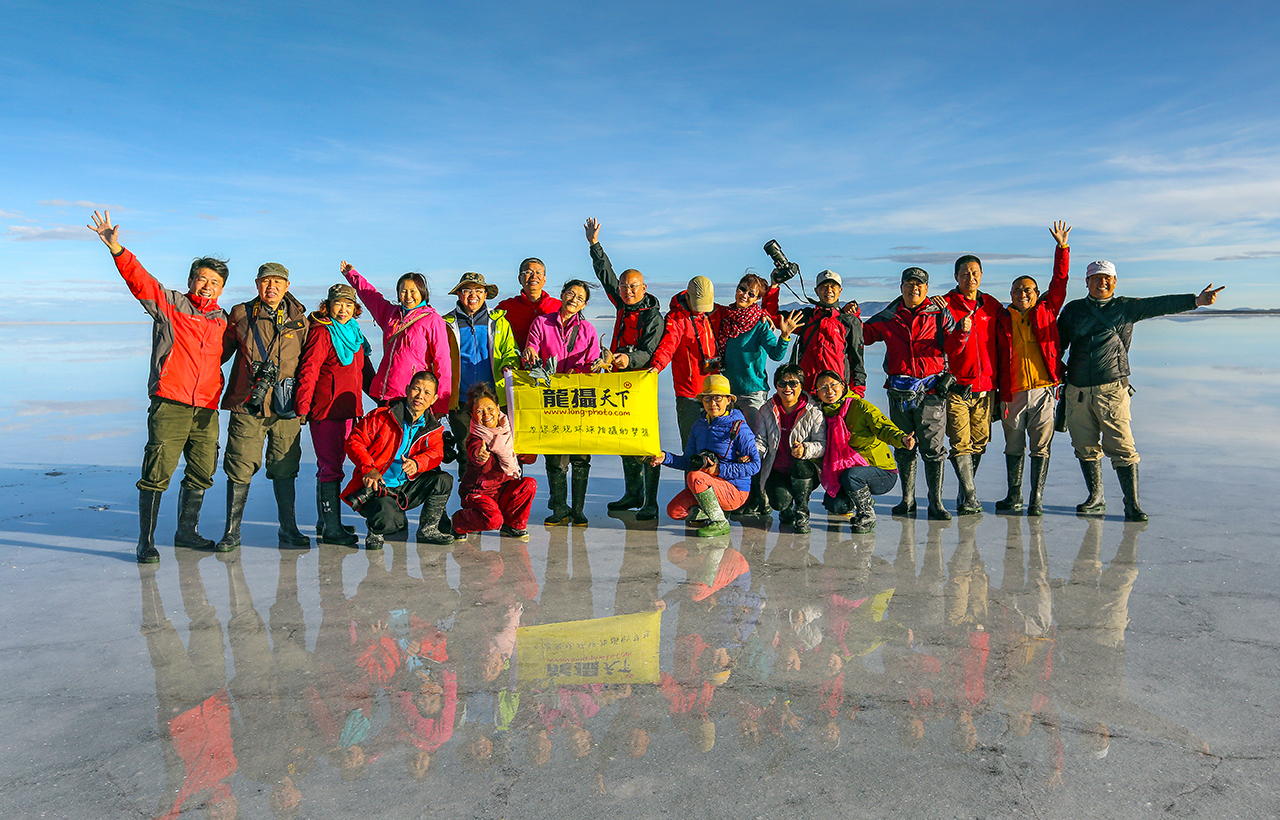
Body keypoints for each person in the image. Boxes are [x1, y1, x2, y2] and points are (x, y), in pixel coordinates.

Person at [89, 210, 229, 563]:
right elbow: (141, 281)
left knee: (202, 471)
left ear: (222, 289)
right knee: (156, 472)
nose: (206, 285)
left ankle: (186, 533)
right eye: (201, 279)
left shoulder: (222, 320)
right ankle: (145, 541)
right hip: (171, 402)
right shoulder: (170, 305)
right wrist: (117, 249)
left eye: (214, 282)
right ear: (190, 280)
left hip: (207, 408)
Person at [1057, 262, 1223, 520]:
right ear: (1086, 282)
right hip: (1076, 390)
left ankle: (1131, 504)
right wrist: (1055, 372)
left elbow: (1160, 304)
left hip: (1111, 389)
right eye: (1097, 278)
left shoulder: (1125, 307)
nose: (1102, 283)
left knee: (1122, 447)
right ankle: (1096, 497)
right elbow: (1056, 345)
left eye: (1108, 279)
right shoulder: (1073, 310)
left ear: (1115, 281)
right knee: (1084, 446)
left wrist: (1196, 300)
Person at [216, 262, 311, 551]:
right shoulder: (241, 314)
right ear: (257, 284)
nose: (271, 287)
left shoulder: (301, 321)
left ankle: (288, 529)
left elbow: (310, 366)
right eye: (266, 281)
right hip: (248, 405)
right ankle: (231, 532)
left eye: (277, 282)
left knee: (286, 467)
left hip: (286, 408)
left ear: (287, 286)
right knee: (239, 466)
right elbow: (216, 354)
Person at [863, 267, 964, 520]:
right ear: (901, 288)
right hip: (899, 392)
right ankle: (907, 500)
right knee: (904, 445)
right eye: (909, 284)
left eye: (919, 285)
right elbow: (864, 336)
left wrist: (962, 330)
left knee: (933, 448)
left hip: (931, 391)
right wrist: (850, 316)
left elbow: (953, 347)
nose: (914, 289)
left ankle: (935, 502)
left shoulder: (939, 314)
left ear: (927, 289)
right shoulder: (888, 316)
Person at [584, 218, 666, 520]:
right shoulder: (621, 305)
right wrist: (594, 245)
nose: (627, 290)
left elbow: (649, 352)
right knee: (624, 438)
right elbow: (605, 274)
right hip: (618, 384)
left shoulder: (653, 316)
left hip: (641, 383)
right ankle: (633, 493)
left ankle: (650, 502)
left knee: (644, 439)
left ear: (644, 288)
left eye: (633, 286)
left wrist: (625, 360)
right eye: (624, 285)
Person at [994, 221, 1071, 516]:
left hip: (1043, 391)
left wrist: (1061, 248)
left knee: (1040, 447)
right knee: (1013, 446)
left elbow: (1060, 281)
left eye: (1027, 289)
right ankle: (1014, 496)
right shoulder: (1003, 318)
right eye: (1016, 290)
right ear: (1010, 293)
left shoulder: (1047, 310)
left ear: (1037, 293)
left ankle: (1036, 499)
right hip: (1012, 393)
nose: (1021, 294)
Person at [342, 371, 455, 549]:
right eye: (416, 389)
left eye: (427, 392)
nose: (420, 396)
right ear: (407, 389)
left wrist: (418, 463)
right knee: (389, 523)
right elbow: (354, 441)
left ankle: (428, 529)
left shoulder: (432, 428)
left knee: (443, 480)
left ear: (433, 399)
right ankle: (376, 530)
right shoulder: (381, 416)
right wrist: (369, 468)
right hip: (379, 486)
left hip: (408, 485)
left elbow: (436, 453)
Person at [295, 283, 372, 546]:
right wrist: (302, 408)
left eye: (349, 304)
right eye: (338, 304)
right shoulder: (322, 333)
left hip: (350, 411)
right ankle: (331, 529)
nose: (343, 309)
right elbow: (309, 370)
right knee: (330, 469)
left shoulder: (355, 333)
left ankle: (326, 522)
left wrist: (386, 401)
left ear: (355, 309)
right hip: (326, 412)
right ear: (327, 306)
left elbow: (366, 373)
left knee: (339, 467)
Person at [525, 279, 605, 526]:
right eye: (571, 294)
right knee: (555, 459)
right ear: (561, 294)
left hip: (580, 402)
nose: (574, 300)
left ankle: (579, 510)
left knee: (581, 457)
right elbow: (532, 348)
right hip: (551, 400)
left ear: (585, 304)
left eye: (580, 298)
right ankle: (559, 508)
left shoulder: (588, 330)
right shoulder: (542, 323)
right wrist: (530, 354)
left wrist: (589, 369)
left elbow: (593, 365)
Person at [648, 375, 760, 536]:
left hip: (735, 490)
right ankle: (716, 511)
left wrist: (719, 470)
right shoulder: (699, 425)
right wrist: (664, 457)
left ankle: (720, 522)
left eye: (718, 398)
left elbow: (755, 465)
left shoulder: (739, 428)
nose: (712, 403)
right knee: (675, 511)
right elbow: (688, 461)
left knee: (695, 477)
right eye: (707, 398)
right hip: (709, 484)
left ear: (728, 400)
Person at [340, 261, 451, 414]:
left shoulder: (432, 320)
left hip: (413, 396)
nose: (408, 296)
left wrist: (441, 405)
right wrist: (352, 275)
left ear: (422, 292)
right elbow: (370, 295)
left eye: (413, 291)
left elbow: (443, 363)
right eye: (403, 291)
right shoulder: (390, 314)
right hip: (385, 393)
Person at [811, 370, 915, 534]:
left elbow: (883, 427)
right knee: (836, 505)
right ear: (817, 393)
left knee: (852, 476)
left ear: (843, 386)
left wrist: (901, 439)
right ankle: (857, 498)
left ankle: (866, 514)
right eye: (823, 388)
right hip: (845, 471)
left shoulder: (860, 407)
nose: (829, 391)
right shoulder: (822, 414)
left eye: (833, 385)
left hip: (880, 471)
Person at [943, 255, 1003, 515]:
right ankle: (970, 495)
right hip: (958, 387)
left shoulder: (991, 306)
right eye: (965, 273)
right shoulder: (944, 304)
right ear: (956, 277)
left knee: (979, 442)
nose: (971, 278)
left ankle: (964, 491)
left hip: (986, 387)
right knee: (960, 443)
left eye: (975, 272)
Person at [442, 272, 520, 460]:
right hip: (460, 401)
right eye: (467, 290)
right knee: (467, 451)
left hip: (494, 400)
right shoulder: (446, 324)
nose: (473, 295)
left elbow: (511, 351)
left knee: (500, 450)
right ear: (459, 294)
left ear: (486, 294)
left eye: (478, 290)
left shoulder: (498, 322)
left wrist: (509, 365)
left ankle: (499, 489)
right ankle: (468, 489)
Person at [450, 383, 538, 538]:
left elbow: (529, 459)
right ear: (472, 415)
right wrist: (479, 455)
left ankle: (513, 525)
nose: (486, 414)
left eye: (490, 408)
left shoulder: (509, 431)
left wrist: (527, 451)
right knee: (493, 520)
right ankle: (459, 521)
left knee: (528, 484)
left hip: (503, 490)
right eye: (479, 411)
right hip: (479, 494)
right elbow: (474, 452)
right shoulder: (476, 437)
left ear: (498, 408)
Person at [752, 364, 826, 532]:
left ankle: (801, 513)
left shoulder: (813, 411)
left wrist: (805, 449)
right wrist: (754, 454)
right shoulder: (766, 410)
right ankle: (786, 510)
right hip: (777, 469)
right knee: (778, 502)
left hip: (805, 470)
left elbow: (822, 445)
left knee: (800, 468)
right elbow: (760, 440)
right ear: (776, 385)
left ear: (801, 385)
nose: (787, 388)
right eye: (782, 383)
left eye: (793, 383)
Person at [650, 276, 720, 445]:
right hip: (689, 393)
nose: (700, 311)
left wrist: (763, 318)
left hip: (715, 390)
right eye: (697, 306)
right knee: (692, 447)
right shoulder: (677, 318)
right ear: (687, 297)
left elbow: (738, 316)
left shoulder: (714, 312)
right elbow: (668, 345)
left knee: (718, 448)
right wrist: (656, 366)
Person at [790, 269, 866, 397]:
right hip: (807, 390)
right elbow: (775, 317)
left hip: (836, 392)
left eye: (833, 286)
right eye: (824, 286)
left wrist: (858, 392)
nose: (829, 290)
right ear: (816, 291)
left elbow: (857, 360)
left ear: (840, 291)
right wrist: (775, 286)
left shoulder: (849, 321)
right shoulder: (807, 318)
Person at [497, 257, 561, 350]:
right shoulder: (506, 307)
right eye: (528, 272)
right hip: (516, 363)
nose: (534, 276)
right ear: (520, 279)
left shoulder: (558, 306)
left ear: (544, 279)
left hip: (553, 363)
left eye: (538, 272)